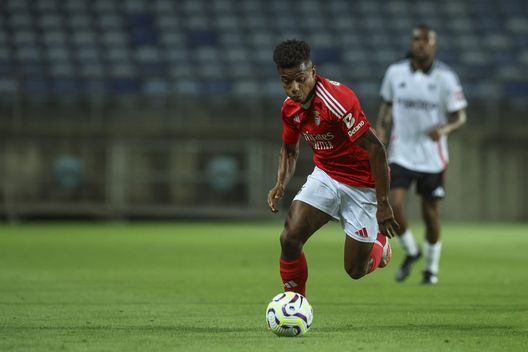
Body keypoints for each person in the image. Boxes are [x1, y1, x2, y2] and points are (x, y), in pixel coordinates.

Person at [267, 39, 399, 297]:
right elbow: (290, 150)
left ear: (313, 72)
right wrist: (280, 183)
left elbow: (376, 149)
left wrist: (383, 204)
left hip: (363, 184)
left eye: (300, 79)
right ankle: (295, 303)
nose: (294, 88)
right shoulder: (289, 109)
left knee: (355, 269)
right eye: (286, 81)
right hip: (327, 175)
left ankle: (379, 246)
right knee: (289, 237)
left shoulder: (337, 101)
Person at [376, 24, 467, 284]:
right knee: (393, 206)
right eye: (417, 39)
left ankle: (431, 268)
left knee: (430, 214)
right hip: (401, 151)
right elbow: (387, 105)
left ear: (434, 45)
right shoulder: (395, 73)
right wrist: (381, 128)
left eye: (426, 40)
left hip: (432, 157)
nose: (421, 44)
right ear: (411, 42)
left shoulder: (445, 78)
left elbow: (460, 116)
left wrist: (445, 128)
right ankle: (411, 250)